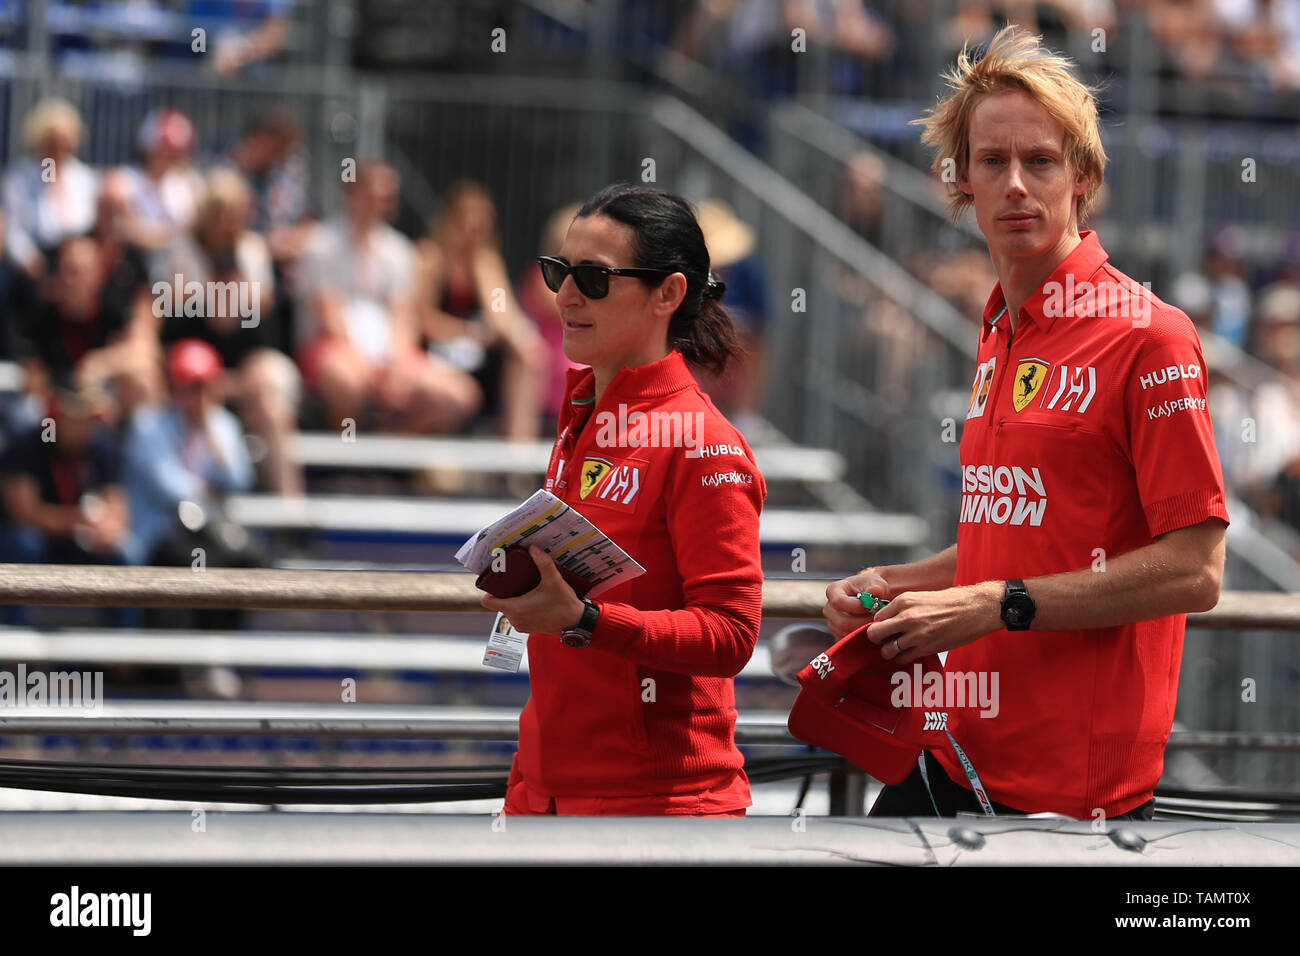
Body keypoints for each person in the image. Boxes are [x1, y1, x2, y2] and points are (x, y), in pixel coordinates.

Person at [822, 25, 1229, 821]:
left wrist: (991, 605)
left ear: (1082, 177)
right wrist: (900, 584)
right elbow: (1015, 531)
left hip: (1068, 801)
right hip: (954, 753)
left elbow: (1196, 571)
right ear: (960, 182)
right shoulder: (999, 324)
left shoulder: (1151, 334)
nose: (1015, 185)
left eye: (1040, 161)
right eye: (992, 161)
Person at [481, 183, 767, 816]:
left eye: (594, 277)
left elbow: (732, 634)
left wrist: (585, 622)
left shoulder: (703, 440)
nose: (566, 295)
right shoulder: (582, 407)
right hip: (546, 790)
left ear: (669, 293)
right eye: (559, 272)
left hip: (659, 805)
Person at [295, 161, 481, 433]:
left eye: (387, 196)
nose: (383, 203)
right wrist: (368, 367)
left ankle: (387, 448)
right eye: (375, 194)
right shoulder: (321, 245)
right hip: (334, 349)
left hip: (388, 356)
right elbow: (329, 317)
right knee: (345, 380)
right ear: (353, 193)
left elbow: (403, 318)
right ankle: (348, 453)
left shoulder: (400, 251)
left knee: (460, 396)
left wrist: (397, 367)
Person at [416, 181, 543, 440]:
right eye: (465, 222)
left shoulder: (486, 263)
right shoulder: (429, 258)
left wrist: (521, 342)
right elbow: (424, 322)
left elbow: (503, 315)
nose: (472, 232)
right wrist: (469, 332)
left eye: (480, 224)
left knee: (528, 357)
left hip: (475, 356)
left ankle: (519, 453)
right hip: (435, 353)